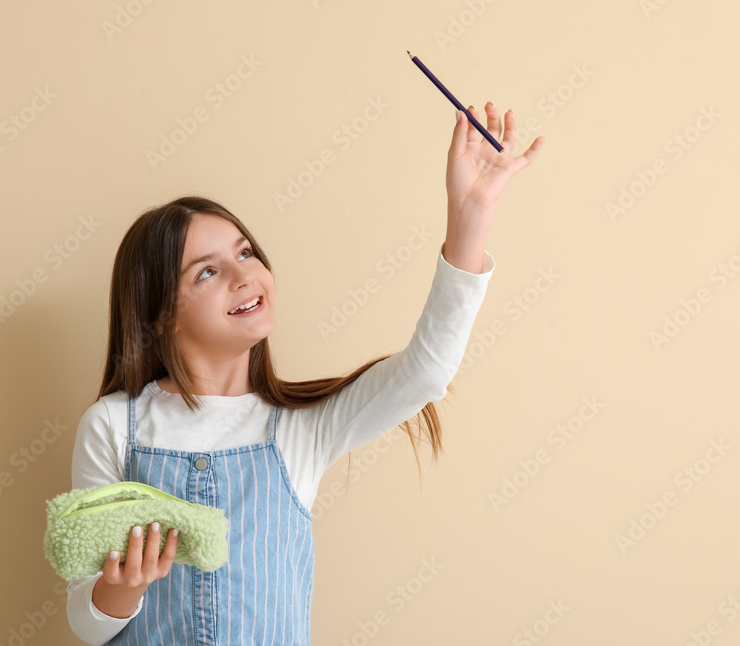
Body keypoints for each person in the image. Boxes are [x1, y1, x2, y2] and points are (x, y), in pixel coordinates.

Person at [65, 103, 545, 645]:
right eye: (207, 271)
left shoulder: (300, 427)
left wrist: (471, 212)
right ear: (161, 316)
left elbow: (426, 373)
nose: (243, 275)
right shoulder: (114, 427)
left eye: (244, 253)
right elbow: (85, 622)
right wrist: (121, 590)